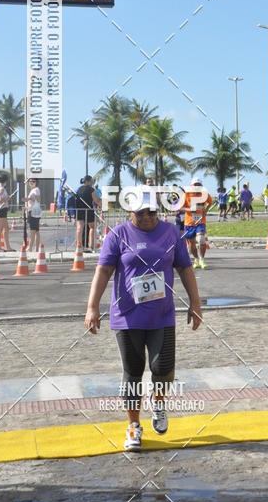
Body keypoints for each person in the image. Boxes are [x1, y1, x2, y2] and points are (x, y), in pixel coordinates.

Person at [84, 189, 202, 453]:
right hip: (128, 316)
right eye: (141, 212)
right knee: (133, 371)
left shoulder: (171, 233)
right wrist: (92, 307)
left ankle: (158, 403)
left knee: (163, 367)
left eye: (152, 211)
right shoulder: (118, 235)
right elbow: (103, 270)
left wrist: (195, 304)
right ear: (130, 211)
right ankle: (133, 426)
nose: (148, 217)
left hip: (162, 315)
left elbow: (185, 268)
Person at [182, 179, 212, 269]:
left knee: (201, 240)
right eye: (195, 184)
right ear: (191, 186)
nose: (197, 186)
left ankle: (202, 260)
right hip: (189, 222)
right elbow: (180, 207)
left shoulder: (204, 194)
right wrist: (189, 209)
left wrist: (206, 210)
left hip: (200, 221)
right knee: (191, 244)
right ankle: (196, 259)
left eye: (199, 184)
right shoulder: (186, 194)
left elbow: (210, 202)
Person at [76, 175, 100, 252]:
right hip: (89, 210)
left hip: (79, 210)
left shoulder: (78, 189)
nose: (92, 183)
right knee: (92, 227)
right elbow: (97, 200)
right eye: (91, 181)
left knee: (79, 228)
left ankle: (79, 246)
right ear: (88, 181)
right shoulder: (91, 189)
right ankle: (91, 246)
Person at [0, 175, 13, 251]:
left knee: (6, 229)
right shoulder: (1, 189)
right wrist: (7, 198)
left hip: (0, 210)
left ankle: (8, 247)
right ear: (5, 181)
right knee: (0, 229)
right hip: (2, 209)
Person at [25, 178, 42, 253]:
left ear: (36, 182)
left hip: (33, 212)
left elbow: (37, 198)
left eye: (33, 181)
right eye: (30, 181)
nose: (31, 183)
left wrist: (29, 198)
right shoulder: (34, 190)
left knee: (33, 230)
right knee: (36, 231)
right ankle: (36, 248)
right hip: (34, 211)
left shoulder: (36, 190)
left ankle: (30, 247)